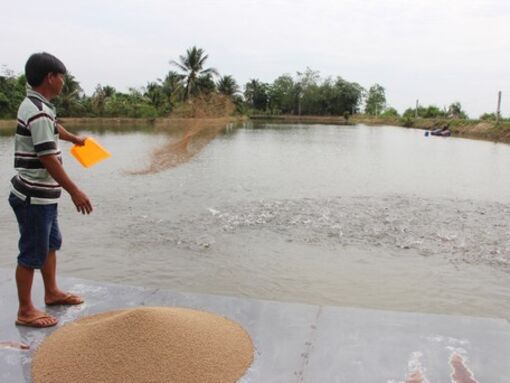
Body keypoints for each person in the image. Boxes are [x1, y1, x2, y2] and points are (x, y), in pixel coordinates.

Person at [9, 52, 93, 328]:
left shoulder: (38, 105)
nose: (63, 83)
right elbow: (47, 157)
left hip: (43, 195)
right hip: (34, 196)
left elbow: (54, 128)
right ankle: (25, 310)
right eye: (62, 78)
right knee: (32, 253)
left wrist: (74, 139)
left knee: (50, 245)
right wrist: (74, 191)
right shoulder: (38, 110)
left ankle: (52, 292)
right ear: (51, 77)